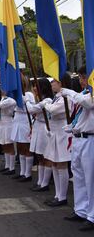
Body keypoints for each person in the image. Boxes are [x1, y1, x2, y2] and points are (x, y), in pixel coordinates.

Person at [62, 65, 94, 231]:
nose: (81, 81)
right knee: (79, 176)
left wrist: (68, 92)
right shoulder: (83, 93)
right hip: (79, 139)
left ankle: (92, 215)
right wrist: (72, 126)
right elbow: (80, 114)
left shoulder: (89, 95)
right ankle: (81, 210)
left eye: (84, 77)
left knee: (91, 179)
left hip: (90, 140)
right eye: (81, 78)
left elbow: (88, 104)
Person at [42, 75, 72, 207]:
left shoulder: (66, 98)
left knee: (61, 165)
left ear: (61, 83)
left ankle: (63, 197)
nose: (52, 84)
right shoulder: (57, 97)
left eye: (54, 81)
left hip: (62, 134)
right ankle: (57, 195)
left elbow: (53, 110)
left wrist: (45, 104)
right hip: (54, 133)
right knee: (54, 163)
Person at [26, 78, 53, 192]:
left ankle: (45, 183)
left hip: (44, 129)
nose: (34, 88)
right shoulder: (39, 99)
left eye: (36, 86)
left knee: (45, 156)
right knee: (39, 156)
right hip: (38, 127)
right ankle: (40, 181)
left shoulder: (47, 100)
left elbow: (32, 110)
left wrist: (27, 100)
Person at [10, 75, 35, 182]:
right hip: (17, 120)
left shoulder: (28, 94)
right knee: (20, 147)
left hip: (25, 120)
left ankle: (28, 174)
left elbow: (33, 109)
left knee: (26, 147)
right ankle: (22, 172)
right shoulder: (17, 94)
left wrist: (25, 101)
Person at [0, 90, 17, 175]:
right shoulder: (2, 99)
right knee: (4, 145)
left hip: (8, 123)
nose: (1, 90)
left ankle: (12, 168)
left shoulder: (10, 100)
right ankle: (7, 166)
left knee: (9, 145)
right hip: (2, 122)